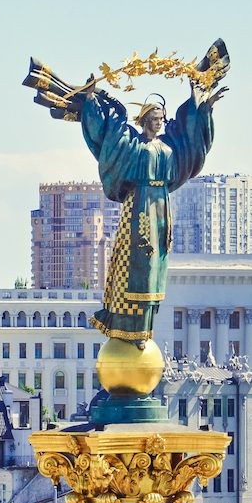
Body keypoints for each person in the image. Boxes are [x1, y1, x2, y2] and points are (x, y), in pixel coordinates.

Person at [80, 80, 229, 347]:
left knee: (156, 269)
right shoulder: (133, 145)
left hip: (161, 208)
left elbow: (193, 141)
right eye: (154, 118)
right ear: (145, 119)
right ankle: (130, 327)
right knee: (138, 266)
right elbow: (105, 136)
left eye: (161, 118)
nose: (159, 122)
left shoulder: (169, 146)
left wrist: (201, 106)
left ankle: (146, 329)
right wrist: (91, 100)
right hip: (139, 207)